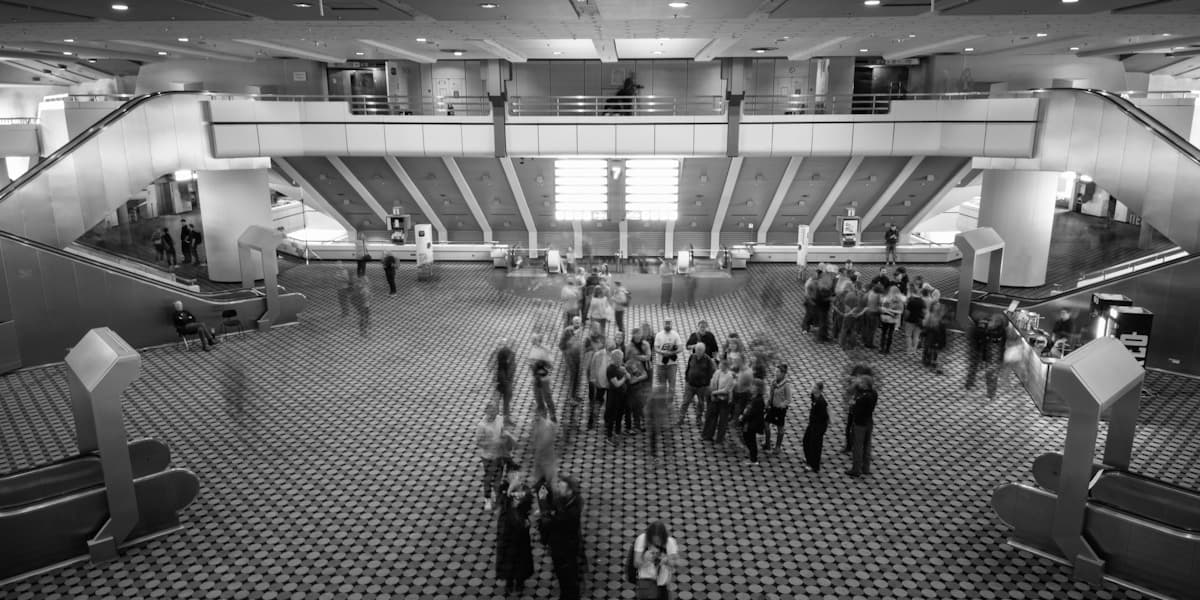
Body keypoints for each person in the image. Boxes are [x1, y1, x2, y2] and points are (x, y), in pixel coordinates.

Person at [537, 475, 584, 600]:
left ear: (570, 491)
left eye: (561, 487)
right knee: (566, 577)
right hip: (566, 545)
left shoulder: (571, 511)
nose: (558, 489)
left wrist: (542, 502)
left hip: (564, 548)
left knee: (567, 577)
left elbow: (550, 521)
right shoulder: (571, 499)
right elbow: (556, 506)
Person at [496, 470, 533, 595]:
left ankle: (520, 581)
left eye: (520, 476)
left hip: (521, 530)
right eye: (514, 476)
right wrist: (510, 490)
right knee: (508, 557)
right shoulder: (503, 488)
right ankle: (509, 581)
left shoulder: (526, 490)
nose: (518, 478)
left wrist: (520, 502)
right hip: (507, 530)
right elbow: (502, 502)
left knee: (521, 556)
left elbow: (528, 503)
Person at [477, 402, 515, 510]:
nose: (493, 413)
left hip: (499, 455)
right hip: (488, 457)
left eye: (495, 410)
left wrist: (505, 441)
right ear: (486, 411)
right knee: (488, 478)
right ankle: (487, 499)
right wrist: (491, 443)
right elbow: (479, 442)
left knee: (498, 478)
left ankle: (498, 499)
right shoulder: (482, 425)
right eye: (491, 411)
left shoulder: (500, 419)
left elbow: (504, 432)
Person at [632, 521, 684, 600]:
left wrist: (667, 560)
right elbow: (636, 563)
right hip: (645, 582)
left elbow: (678, 562)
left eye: (658, 540)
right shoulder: (642, 539)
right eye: (653, 539)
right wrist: (644, 560)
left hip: (662, 584)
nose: (656, 542)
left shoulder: (670, 542)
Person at [846, 377, 878, 478]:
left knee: (858, 447)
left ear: (865, 384)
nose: (860, 384)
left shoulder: (864, 397)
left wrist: (853, 404)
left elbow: (856, 410)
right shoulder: (874, 393)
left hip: (860, 423)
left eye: (861, 382)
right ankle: (866, 468)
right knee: (867, 445)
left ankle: (856, 470)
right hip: (869, 421)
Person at [678, 342, 714, 429]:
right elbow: (688, 368)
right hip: (690, 385)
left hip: (701, 387)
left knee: (701, 403)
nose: (698, 351)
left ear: (703, 350)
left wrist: (706, 383)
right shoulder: (692, 356)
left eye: (700, 350)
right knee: (685, 402)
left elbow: (711, 372)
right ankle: (681, 418)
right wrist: (687, 378)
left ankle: (699, 418)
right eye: (697, 349)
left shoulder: (708, 360)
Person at [702, 358, 734, 442]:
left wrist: (714, 392)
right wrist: (712, 392)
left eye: (721, 365)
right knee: (711, 417)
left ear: (725, 366)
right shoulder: (717, 372)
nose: (719, 366)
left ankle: (719, 438)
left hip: (724, 400)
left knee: (722, 420)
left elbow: (726, 390)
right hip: (716, 398)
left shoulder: (729, 376)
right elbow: (712, 381)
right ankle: (708, 435)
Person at [738, 372, 767, 465]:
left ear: (758, 388)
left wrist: (743, 417)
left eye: (753, 386)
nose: (751, 387)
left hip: (752, 424)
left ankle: (753, 459)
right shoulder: (754, 397)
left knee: (750, 440)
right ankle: (751, 454)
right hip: (749, 422)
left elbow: (752, 412)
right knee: (748, 438)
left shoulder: (758, 400)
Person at [763, 364, 792, 454]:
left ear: (783, 374)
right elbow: (770, 394)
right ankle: (767, 443)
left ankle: (778, 447)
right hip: (772, 407)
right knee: (766, 424)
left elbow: (788, 399)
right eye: (776, 371)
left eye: (778, 372)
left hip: (780, 410)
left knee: (780, 427)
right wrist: (767, 404)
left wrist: (781, 405)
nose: (776, 373)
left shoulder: (786, 385)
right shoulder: (774, 382)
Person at [801, 382, 829, 473]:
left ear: (820, 390)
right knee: (806, 440)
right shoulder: (814, 396)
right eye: (813, 387)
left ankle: (814, 465)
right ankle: (809, 458)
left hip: (818, 427)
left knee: (815, 445)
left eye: (815, 388)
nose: (813, 389)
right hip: (812, 424)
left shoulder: (821, 402)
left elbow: (823, 417)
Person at [530, 334, 557, 421]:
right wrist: (533, 365)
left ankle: (552, 415)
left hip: (544, 379)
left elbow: (551, 366)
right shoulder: (533, 350)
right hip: (535, 379)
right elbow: (531, 364)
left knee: (547, 398)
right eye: (533, 340)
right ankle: (543, 415)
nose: (533, 342)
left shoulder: (545, 349)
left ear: (539, 340)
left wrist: (543, 361)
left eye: (535, 340)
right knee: (538, 398)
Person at [585, 331, 610, 429]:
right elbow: (592, 368)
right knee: (597, 403)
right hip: (599, 383)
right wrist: (592, 379)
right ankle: (592, 421)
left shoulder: (614, 355)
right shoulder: (598, 354)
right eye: (608, 346)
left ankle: (607, 422)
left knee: (609, 405)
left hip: (610, 384)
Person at [623, 346, 650, 433]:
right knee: (629, 408)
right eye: (634, 354)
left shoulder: (638, 363)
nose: (636, 356)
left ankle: (638, 426)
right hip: (629, 390)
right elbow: (629, 380)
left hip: (638, 388)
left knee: (638, 407)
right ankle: (629, 427)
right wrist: (637, 377)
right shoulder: (626, 365)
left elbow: (645, 375)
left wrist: (638, 378)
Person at [653, 319, 683, 398]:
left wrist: (672, 353)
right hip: (660, 364)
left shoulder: (675, 335)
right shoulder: (659, 335)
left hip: (672, 364)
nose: (667, 325)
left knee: (672, 387)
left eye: (669, 323)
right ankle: (662, 405)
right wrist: (662, 352)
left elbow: (680, 348)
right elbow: (655, 348)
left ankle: (670, 404)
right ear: (663, 324)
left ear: (671, 324)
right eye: (666, 323)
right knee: (661, 387)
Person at [559, 316, 585, 404]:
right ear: (572, 322)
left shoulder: (580, 329)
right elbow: (561, 345)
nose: (577, 323)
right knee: (573, 375)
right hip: (569, 356)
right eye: (576, 321)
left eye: (579, 321)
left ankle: (574, 395)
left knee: (577, 375)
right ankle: (571, 398)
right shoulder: (567, 331)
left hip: (577, 355)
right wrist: (568, 350)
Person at [605, 348, 629, 444]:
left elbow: (629, 376)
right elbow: (617, 384)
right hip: (614, 397)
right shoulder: (610, 369)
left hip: (622, 396)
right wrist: (624, 377)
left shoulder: (620, 366)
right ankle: (609, 436)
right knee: (612, 417)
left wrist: (625, 371)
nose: (622, 361)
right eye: (620, 359)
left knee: (619, 414)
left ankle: (617, 432)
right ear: (616, 359)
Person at [921, 302, 947, 375]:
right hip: (931, 334)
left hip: (938, 335)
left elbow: (942, 327)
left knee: (935, 350)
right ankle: (927, 362)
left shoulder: (940, 316)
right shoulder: (930, 315)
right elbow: (926, 325)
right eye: (936, 306)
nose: (938, 307)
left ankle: (933, 364)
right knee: (929, 348)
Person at [495, 339, 516, 423]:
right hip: (500, 382)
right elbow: (499, 369)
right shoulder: (500, 354)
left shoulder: (511, 354)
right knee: (496, 402)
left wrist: (510, 381)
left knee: (507, 401)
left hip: (508, 381)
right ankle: (496, 420)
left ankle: (506, 418)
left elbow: (512, 368)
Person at [879, 284, 905, 354]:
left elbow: (883, 308)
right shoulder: (899, 300)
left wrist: (888, 311)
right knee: (890, 334)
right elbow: (900, 311)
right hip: (892, 319)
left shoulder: (886, 298)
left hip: (884, 318)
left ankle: (881, 349)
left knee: (883, 334)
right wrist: (892, 312)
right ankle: (887, 349)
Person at [903, 287, 928, 357]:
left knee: (908, 335)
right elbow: (925, 312)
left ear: (913, 293)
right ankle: (914, 351)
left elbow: (907, 312)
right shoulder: (922, 302)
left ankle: (909, 351)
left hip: (910, 320)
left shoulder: (911, 301)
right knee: (916, 336)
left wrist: (905, 319)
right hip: (919, 321)